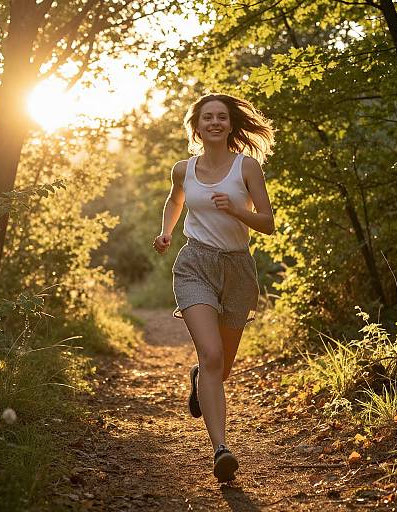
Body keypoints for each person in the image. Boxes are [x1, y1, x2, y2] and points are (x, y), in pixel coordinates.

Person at [152, 93, 275, 483]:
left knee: (219, 366)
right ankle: (221, 448)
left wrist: (236, 210)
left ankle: (199, 378)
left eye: (222, 117)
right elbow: (176, 200)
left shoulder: (247, 167)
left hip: (238, 270)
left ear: (231, 125)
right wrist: (166, 232)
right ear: (197, 126)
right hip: (195, 265)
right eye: (208, 117)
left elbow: (268, 222)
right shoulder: (183, 169)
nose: (215, 123)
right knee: (210, 354)